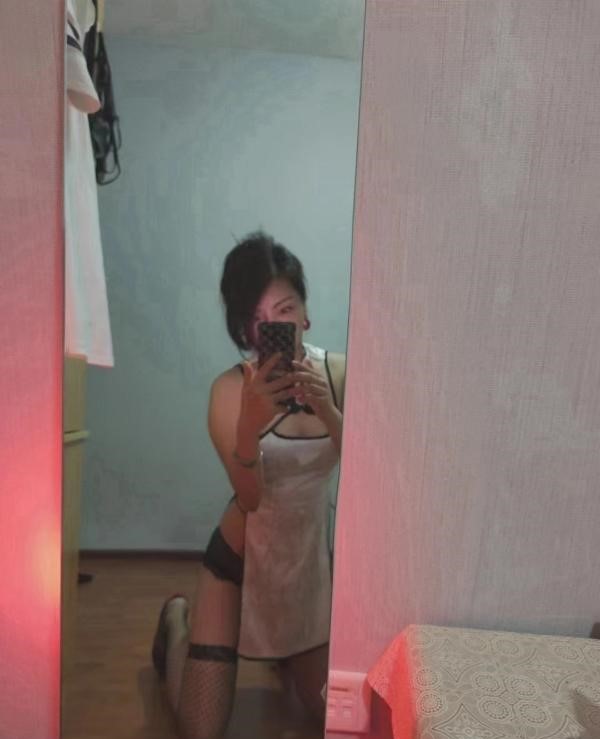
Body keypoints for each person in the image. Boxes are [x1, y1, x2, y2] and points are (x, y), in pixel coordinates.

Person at [151, 231, 346, 739]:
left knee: (330, 716)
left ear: (305, 313)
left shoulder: (340, 374)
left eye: (285, 310)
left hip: (304, 567)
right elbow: (252, 498)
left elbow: (370, 472)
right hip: (238, 562)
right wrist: (249, 424)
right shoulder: (229, 392)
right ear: (245, 331)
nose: (276, 326)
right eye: (259, 320)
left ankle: (287, 656)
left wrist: (328, 409)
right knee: (201, 728)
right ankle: (176, 623)